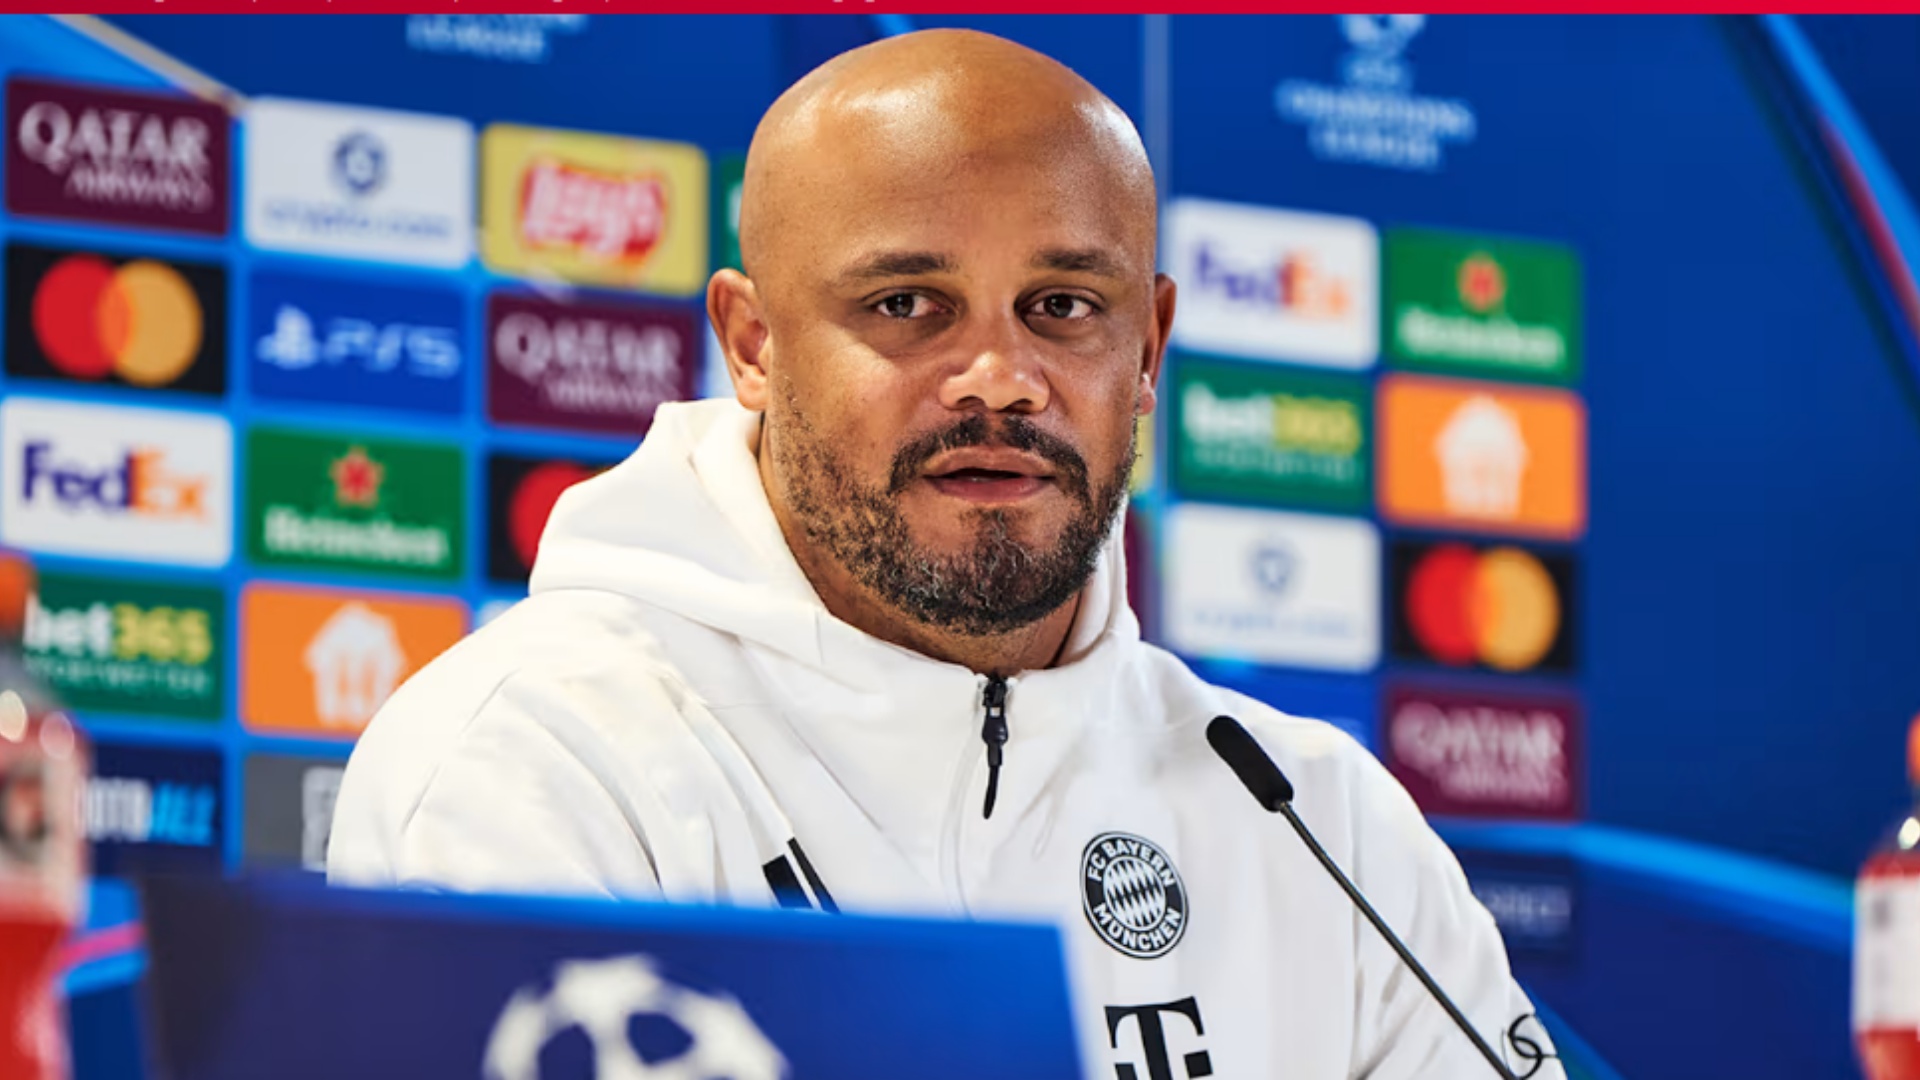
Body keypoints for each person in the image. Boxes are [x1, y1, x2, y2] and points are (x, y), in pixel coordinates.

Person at [330, 28, 1563, 1079]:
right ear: (754, 345)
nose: (1000, 380)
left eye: (1063, 307)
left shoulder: (1315, 821)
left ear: (1147, 350)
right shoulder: (534, 759)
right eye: (907, 305)